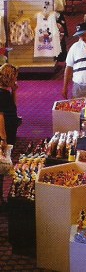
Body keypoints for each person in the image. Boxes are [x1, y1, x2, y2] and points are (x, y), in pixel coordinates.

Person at [0, 64, 19, 205]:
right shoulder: (1, 94)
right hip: (4, 133)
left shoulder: (5, 93)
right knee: (1, 164)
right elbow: (0, 116)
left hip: (9, 129)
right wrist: (3, 138)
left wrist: (14, 91)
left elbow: (13, 106)